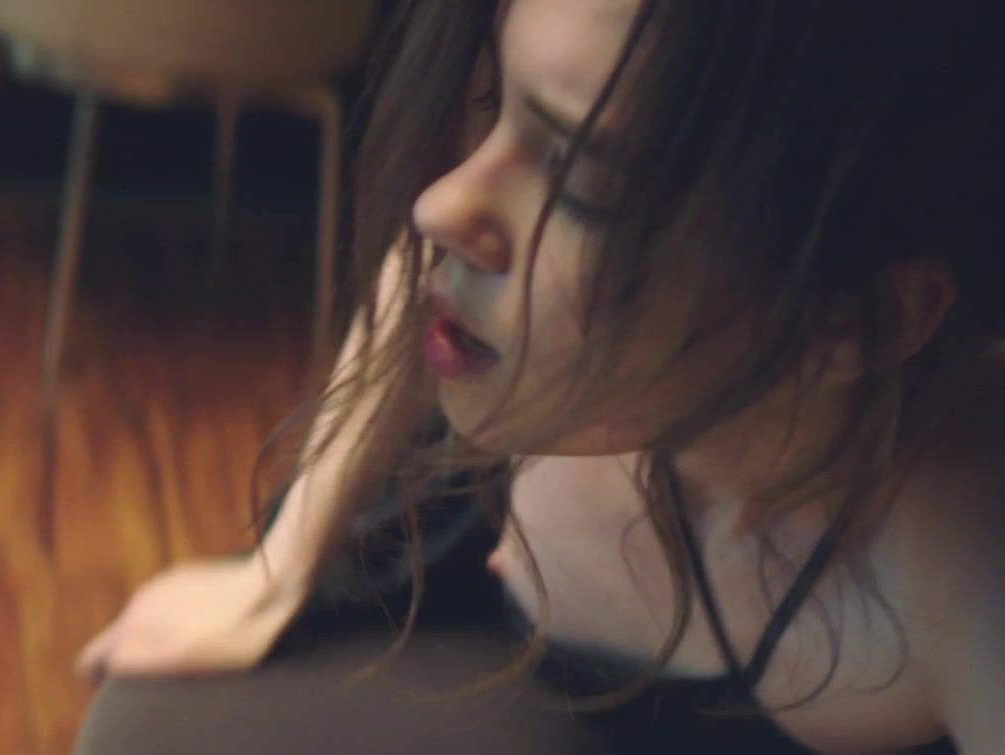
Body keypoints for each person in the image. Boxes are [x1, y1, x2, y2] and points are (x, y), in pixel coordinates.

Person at [72, 0, 1003, 752]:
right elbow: (414, 274)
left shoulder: (956, 544)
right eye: (495, 103)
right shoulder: (534, 327)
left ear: (861, 315)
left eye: (587, 183)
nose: (441, 204)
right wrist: (280, 569)